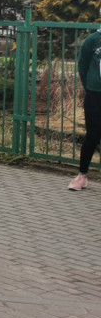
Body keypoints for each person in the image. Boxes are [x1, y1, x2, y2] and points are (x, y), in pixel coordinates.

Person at [69, 18, 101, 191]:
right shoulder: (92, 40)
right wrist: (90, 85)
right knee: (93, 134)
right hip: (95, 94)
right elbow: (82, 66)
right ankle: (82, 176)